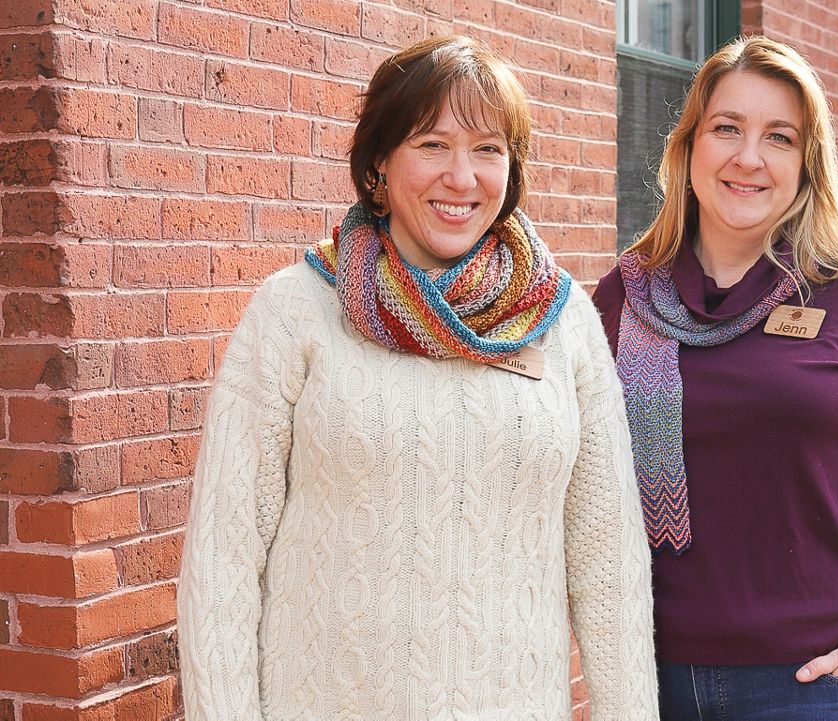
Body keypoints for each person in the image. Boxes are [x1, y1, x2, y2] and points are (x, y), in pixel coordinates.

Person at [178, 35, 658, 720]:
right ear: (378, 161)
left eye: (488, 149)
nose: (461, 177)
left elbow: (610, 566)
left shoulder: (564, 322)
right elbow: (223, 559)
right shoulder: (297, 311)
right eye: (432, 144)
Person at [594, 36, 838, 720]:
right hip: (650, 679)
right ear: (688, 149)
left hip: (819, 684)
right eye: (727, 129)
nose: (749, 157)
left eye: (779, 136)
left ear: (807, 164)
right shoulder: (626, 297)